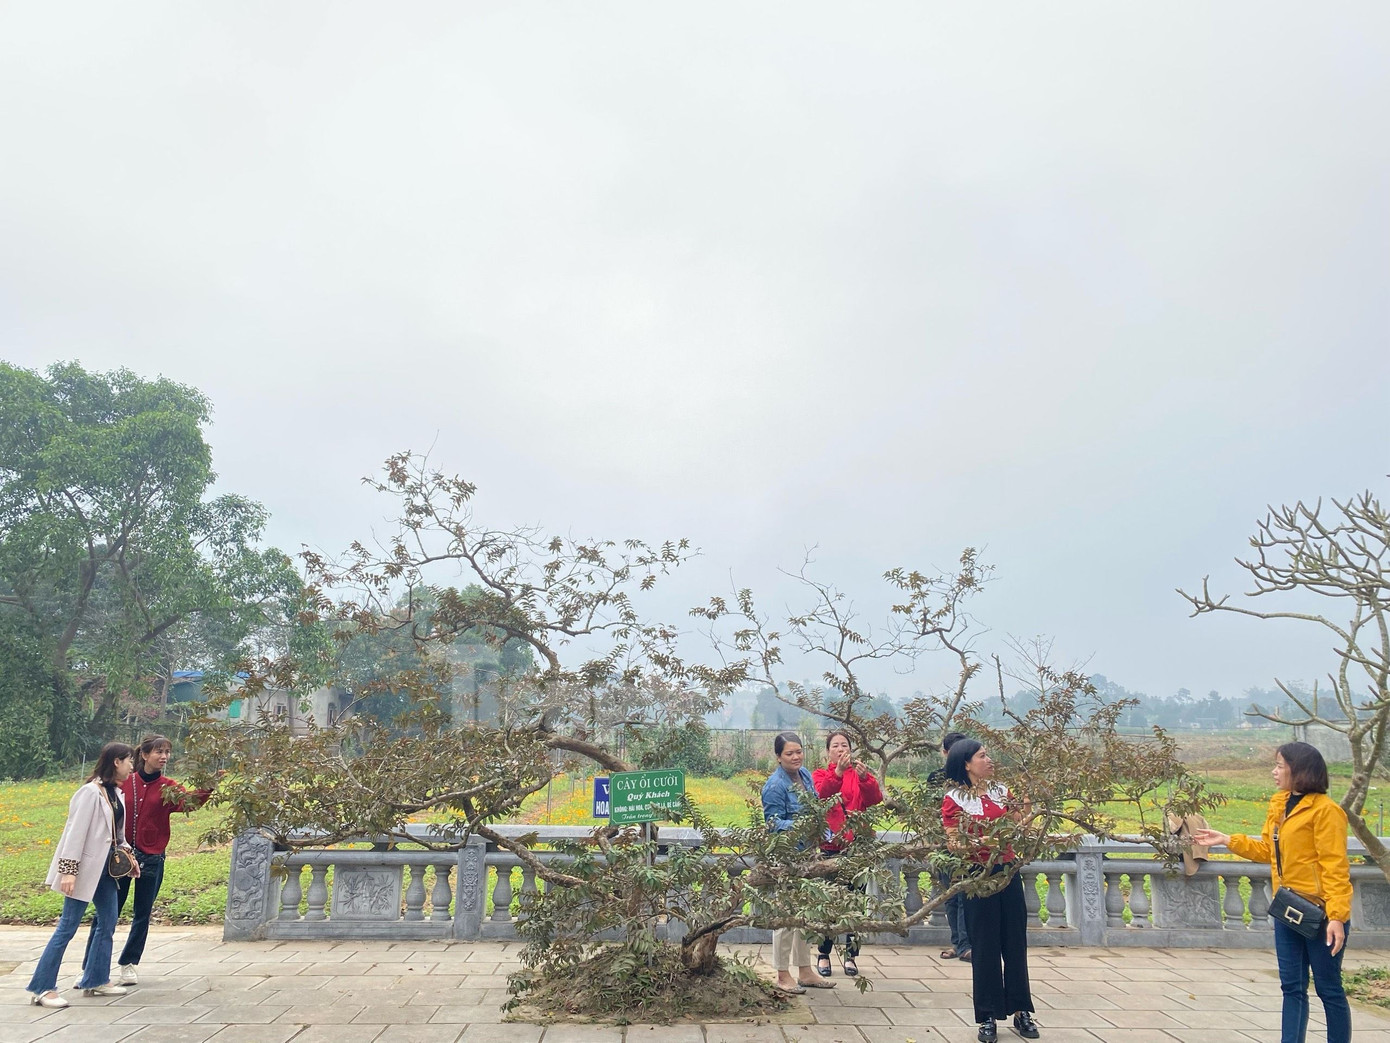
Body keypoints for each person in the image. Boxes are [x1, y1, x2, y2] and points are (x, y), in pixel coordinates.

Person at [1194, 742, 1352, 1043]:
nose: (1274, 771)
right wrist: (1228, 839)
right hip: (1288, 910)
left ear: (1300, 770)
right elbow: (1268, 850)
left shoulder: (1326, 812)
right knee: (1292, 987)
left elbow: (1335, 866)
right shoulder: (1279, 805)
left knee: (1328, 988)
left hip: (1322, 914)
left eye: (1280, 765)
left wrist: (1337, 916)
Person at [83, 734, 211, 985]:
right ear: (144, 754)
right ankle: (91, 965)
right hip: (119, 857)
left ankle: (129, 962)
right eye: (158, 752)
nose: (164, 757)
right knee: (107, 912)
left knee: (143, 912)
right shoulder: (125, 782)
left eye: (167, 752)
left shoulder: (169, 787)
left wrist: (208, 785)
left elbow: (188, 803)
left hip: (152, 856)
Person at [25, 742, 141, 1008]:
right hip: (84, 871)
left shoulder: (116, 794)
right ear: (116, 762)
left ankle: (96, 979)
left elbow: (116, 835)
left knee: (108, 922)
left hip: (106, 872)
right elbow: (74, 834)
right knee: (67, 927)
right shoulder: (89, 793)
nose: (131, 766)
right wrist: (68, 872)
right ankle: (42, 987)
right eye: (129, 761)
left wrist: (128, 856)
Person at [942, 738, 1038, 1043]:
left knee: (1015, 943)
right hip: (977, 875)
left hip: (1007, 873)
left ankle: (1022, 1011)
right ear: (966, 764)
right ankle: (986, 1017)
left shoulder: (1000, 791)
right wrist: (984, 845)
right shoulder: (954, 799)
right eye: (983, 756)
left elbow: (1020, 825)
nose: (989, 759)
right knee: (984, 947)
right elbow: (953, 843)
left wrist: (1027, 801)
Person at [761, 731, 836, 994]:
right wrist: (802, 826)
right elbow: (772, 824)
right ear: (778, 757)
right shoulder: (775, 785)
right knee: (786, 916)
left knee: (806, 913)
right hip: (786, 857)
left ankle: (805, 970)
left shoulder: (805, 776)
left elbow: (814, 807)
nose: (795, 757)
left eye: (799, 751)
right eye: (789, 753)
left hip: (809, 855)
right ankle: (783, 974)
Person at [811, 729, 883, 977]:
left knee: (856, 903)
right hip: (830, 847)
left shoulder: (859, 774)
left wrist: (866, 779)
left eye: (845, 745)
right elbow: (821, 796)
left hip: (856, 848)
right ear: (828, 752)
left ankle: (851, 955)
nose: (841, 749)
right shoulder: (821, 774)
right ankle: (823, 952)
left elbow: (875, 800)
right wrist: (838, 773)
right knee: (829, 902)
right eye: (835, 746)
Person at [928, 730, 972, 962]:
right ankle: (959, 943)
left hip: (970, 846)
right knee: (952, 897)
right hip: (945, 846)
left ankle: (965, 944)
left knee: (965, 895)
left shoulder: (974, 780)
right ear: (945, 753)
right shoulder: (936, 779)